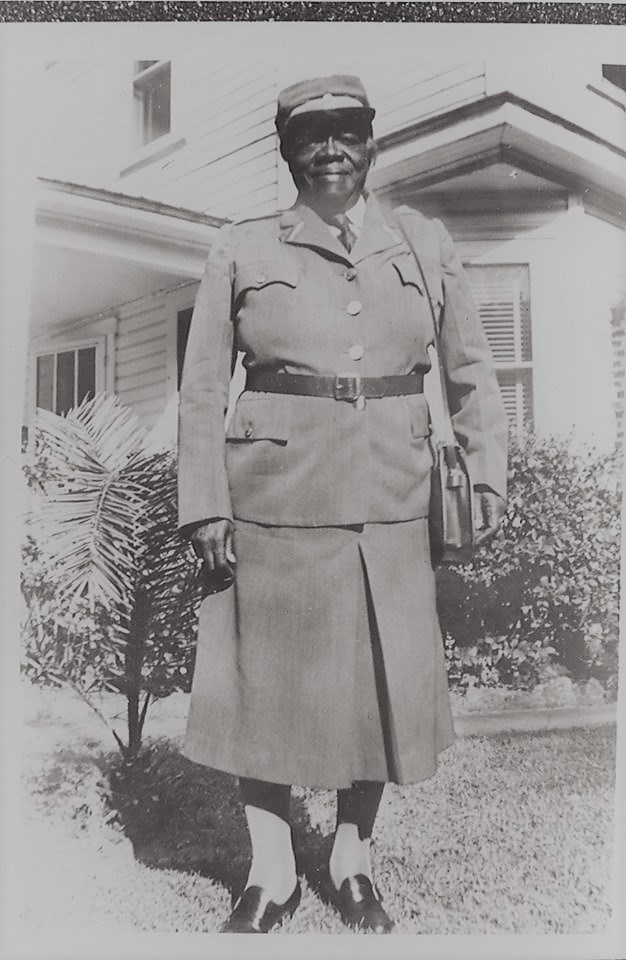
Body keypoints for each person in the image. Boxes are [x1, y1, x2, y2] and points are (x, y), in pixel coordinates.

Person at [177, 74, 508, 934]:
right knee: (266, 682)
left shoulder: (420, 241)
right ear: (287, 152)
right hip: (272, 497)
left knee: (379, 680)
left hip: (390, 495)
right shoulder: (243, 248)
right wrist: (203, 503)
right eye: (311, 135)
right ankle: (273, 869)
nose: (331, 147)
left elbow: (471, 369)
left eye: (347, 131)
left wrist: (488, 471)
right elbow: (203, 386)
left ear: (372, 142)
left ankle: (352, 856)